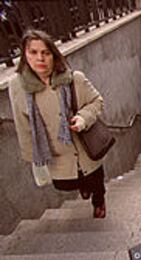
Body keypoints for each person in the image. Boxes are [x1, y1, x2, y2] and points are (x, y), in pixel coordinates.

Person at [8, 29, 107, 218]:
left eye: (45, 53)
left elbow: (97, 101)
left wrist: (83, 118)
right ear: (24, 55)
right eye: (33, 52)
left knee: (95, 181)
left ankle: (99, 200)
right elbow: (23, 124)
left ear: (54, 55)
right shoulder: (17, 86)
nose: (40, 59)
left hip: (84, 149)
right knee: (66, 184)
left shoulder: (74, 79)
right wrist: (33, 158)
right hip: (55, 154)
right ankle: (83, 186)